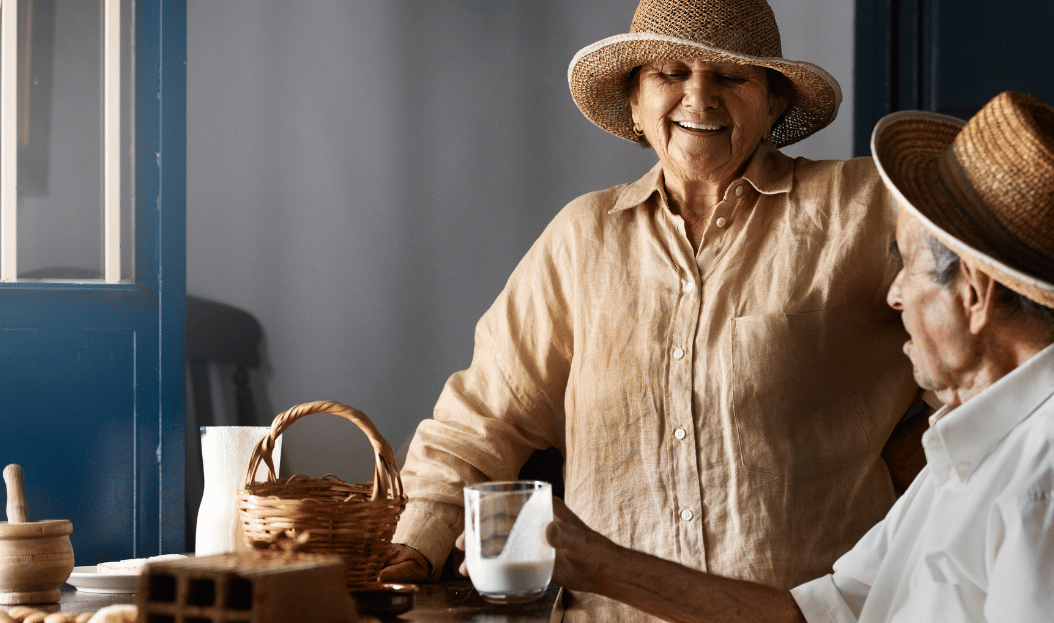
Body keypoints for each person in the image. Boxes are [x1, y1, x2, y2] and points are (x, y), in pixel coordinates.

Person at [511, 91, 1054, 622]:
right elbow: (826, 609)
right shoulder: (988, 443)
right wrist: (601, 565)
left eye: (908, 262)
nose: (894, 293)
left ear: (975, 294)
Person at [384, 0, 928, 619]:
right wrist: (415, 547)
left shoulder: (861, 208)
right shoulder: (582, 237)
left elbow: (998, 339)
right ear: (636, 103)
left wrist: (914, 463)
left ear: (774, 101)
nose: (701, 98)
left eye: (732, 76)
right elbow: (481, 420)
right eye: (671, 73)